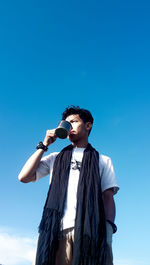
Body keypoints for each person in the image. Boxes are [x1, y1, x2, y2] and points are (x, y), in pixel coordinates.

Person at [18, 106, 119, 265]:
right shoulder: (55, 158)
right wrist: (44, 145)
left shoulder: (103, 160)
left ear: (88, 125)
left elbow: (108, 197)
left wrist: (108, 229)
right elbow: (23, 177)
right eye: (66, 123)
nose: (69, 126)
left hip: (92, 232)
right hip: (56, 232)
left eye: (73, 121)